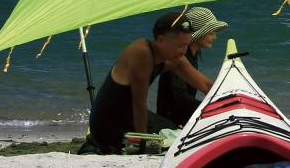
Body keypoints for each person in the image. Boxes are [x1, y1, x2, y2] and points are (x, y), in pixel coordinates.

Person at [82, 11, 214, 154]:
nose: (183, 51)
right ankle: (94, 145)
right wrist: (143, 146)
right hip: (108, 124)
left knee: (176, 132)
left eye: (186, 45)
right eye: (180, 45)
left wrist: (228, 102)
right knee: (171, 141)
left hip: (131, 115)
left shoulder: (175, 57)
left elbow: (206, 85)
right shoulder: (141, 52)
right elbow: (139, 104)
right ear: (161, 40)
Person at [155, 6, 228, 127]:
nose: (215, 37)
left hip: (184, 118)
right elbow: (179, 97)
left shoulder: (192, 55)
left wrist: (224, 100)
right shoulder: (177, 57)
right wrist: (209, 110)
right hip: (171, 122)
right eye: (211, 33)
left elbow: (205, 86)